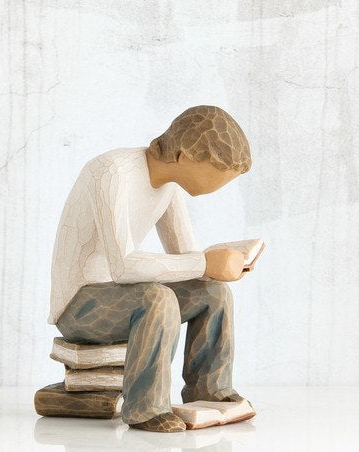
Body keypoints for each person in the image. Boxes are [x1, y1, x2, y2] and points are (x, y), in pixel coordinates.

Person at [49, 105, 253, 432]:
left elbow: (186, 258)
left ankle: (210, 389)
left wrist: (220, 266)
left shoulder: (169, 185)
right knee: (156, 299)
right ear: (185, 155)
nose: (223, 183)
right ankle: (147, 408)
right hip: (80, 305)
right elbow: (123, 266)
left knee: (213, 293)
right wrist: (203, 262)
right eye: (219, 172)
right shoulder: (112, 173)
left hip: (120, 296)